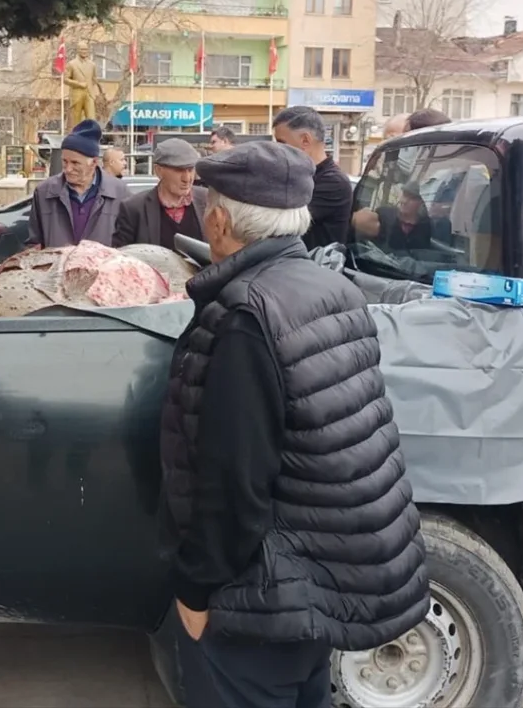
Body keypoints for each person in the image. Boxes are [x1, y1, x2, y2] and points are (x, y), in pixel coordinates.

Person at [160, 141, 429, 708]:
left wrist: (197, 587)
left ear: (219, 218)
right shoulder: (328, 285)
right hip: (322, 571)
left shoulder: (245, 315)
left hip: (264, 591)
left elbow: (234, 479)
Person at [25, 119, 128, 248]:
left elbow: (128, 248)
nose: (68, 169)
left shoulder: (120, 193)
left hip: (100, 268)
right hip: (58, 267)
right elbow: (34, 244)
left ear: (94, 163)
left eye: (75, 163)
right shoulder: (44, 192)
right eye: (64, 161)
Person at [271, 106, 353, 249]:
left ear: (305, 140)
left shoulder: (333, 182)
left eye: (282, 143)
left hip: (315, 268)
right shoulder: (302, 176)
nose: (279, 150)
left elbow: (280, 221)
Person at [113, 138, 206, 249]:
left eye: (190, 170)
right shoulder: (133, 208)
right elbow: (121, 257)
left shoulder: (206, 200)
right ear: (158, 171)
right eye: (179, 170)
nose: (187, 178)